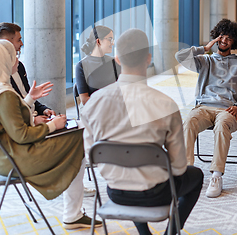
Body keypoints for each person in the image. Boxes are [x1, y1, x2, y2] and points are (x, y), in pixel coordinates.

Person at [81, 29, 203, 235]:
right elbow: (179, 166)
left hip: (115, 192)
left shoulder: (94, 102)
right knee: (196, 175)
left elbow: (89, 155)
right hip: (157, 192)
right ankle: (170, 232)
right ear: (148, 59)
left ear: (118, 59)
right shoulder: (165, 103)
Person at [0, 40, 101, 230]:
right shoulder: (4, 94)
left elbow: (7, 123)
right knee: (77, 140)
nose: (17, 58)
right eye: (13, 55)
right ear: (1, 61)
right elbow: (22, 136)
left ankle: (74, 211)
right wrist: (53, 126)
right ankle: (72, 214)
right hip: (16, 158)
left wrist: (32, 109)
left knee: (74, 135)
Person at [175, 19, 237, 198]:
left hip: (228, 110)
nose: (223, 41)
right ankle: (186, 172)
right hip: (204, 107)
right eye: (221, 37)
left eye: (228, 38)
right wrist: (204, 48)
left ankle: (217, 175)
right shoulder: (205, 61)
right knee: (188, 121)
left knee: (222, 125)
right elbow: (180, 57)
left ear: (235, 42)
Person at [0, 22, 56, 125]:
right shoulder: (0, 77)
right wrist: (33, 121)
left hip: (33, 118)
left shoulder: (20, 67)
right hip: (25, 125)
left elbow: (27, 96)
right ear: (7, 43)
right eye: (19, 40)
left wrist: (44, 110)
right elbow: (11, 116)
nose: (22, 44)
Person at [75, 25, 121, 105]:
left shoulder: (114, 62)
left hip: (115, 107)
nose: (112, 43)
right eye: (110, 39)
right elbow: (85, 100)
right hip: (94, 110)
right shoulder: (81, 66)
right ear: (98, 41)